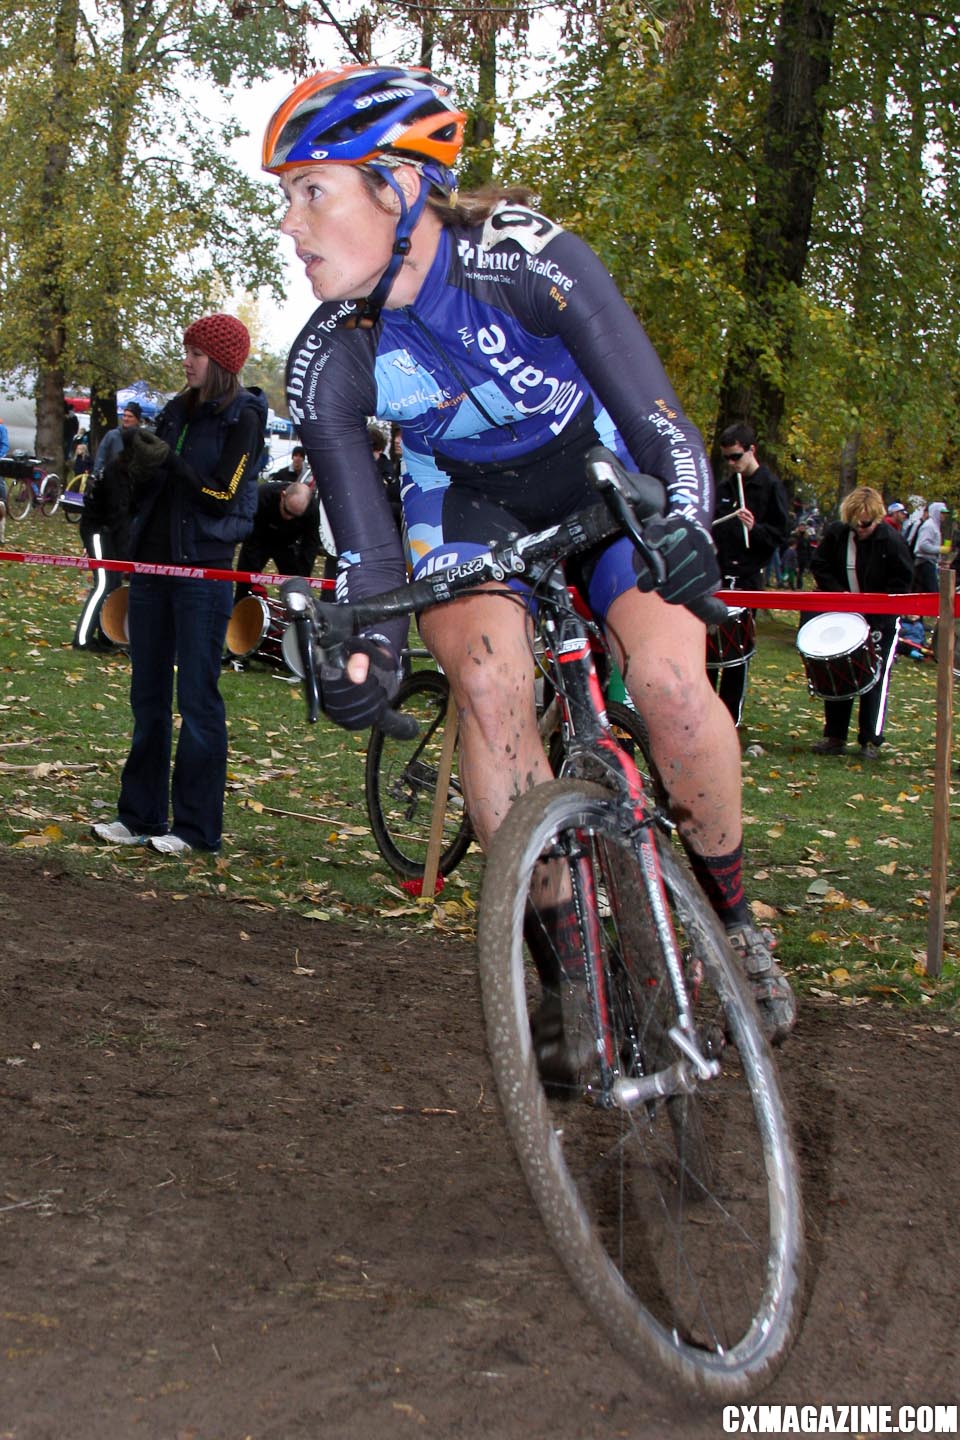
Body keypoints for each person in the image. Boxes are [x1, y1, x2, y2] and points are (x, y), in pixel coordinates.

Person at [262, 64, 796, 1047]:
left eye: (310, 191)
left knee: (673, 687)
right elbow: (373, 563)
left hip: (600, 474)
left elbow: (660, 420)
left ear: (399, 186)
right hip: (464, 504)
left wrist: (683, 518)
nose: (290, 227)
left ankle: (735, 920)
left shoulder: (521, 260)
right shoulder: (328, 356)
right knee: (489, 684)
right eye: (285, 199)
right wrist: (366, 649)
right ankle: (572, 972)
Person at [91, 313, 267, 854]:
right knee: (147, 697)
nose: (186, 360)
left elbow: (223, 494)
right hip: (151, 570)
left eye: (196, 353)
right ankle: (139, 814)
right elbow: (150, 485)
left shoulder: (245, 416)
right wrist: (130, 468)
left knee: (196, 700)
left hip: (203, 574)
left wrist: (172, 464)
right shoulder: (174, 410)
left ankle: (194, 829)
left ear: (222, 362)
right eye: (186, 350)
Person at [805, 486, 914, 759]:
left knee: (875, 677)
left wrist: (878, 609)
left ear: (877, 518)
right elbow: (819, 565)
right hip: (844, 615)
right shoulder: (837, 534)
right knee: (837, 672)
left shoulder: (891, 541)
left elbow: (903, 581)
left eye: (865, 523)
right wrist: (838, 593)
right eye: (855, 523)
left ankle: (870, 740)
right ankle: (834, 735)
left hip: (881, 620)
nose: (860, 529)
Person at [710, 423, 792, 724]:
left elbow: (779, 535)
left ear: (751, 450)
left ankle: (730, 718)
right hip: (718, 575)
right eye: (727, 459)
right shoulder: (725, 488)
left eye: (737, 457)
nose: (732, 464)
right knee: (709, 649)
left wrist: (753, 530)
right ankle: (705, 715)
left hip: (747, 577)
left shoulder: (770, 487)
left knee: (736, 651)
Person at [72, 443, 133, 652]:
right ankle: (82, 638)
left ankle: (105, 634)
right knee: (103, 585)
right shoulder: (115, 475)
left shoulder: (127, 475)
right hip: (98, 531)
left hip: (109, 533)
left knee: (113, 583)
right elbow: (117, 514)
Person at [233, 477, 322, 603]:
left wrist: (303, 578)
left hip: (288, 545)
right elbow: (251, 539)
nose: (289, 518)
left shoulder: (311, 510)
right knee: (244, 584)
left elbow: (310, 545)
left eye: (295, 516)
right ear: (283, 495)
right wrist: (252, 578)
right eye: (287, 511)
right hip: (259, 540)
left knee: (297, 590)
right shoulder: (263, 495)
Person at [94, 402, 142, 478]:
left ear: (137, 420)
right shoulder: (112, 435)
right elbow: (100, 457)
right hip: (111, 479)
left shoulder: (141, 438)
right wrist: (97, 475)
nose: (126, 419)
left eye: (130, 416)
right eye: (125, 415)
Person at [912, 501, 948, 592]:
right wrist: (940, 549)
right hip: (924, 563)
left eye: (945, 513)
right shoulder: (929, 526)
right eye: (942, 513)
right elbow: (923, 545)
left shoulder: (935, 526)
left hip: (930, 562)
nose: (944, 515)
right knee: (932, 591)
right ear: (936, 512)